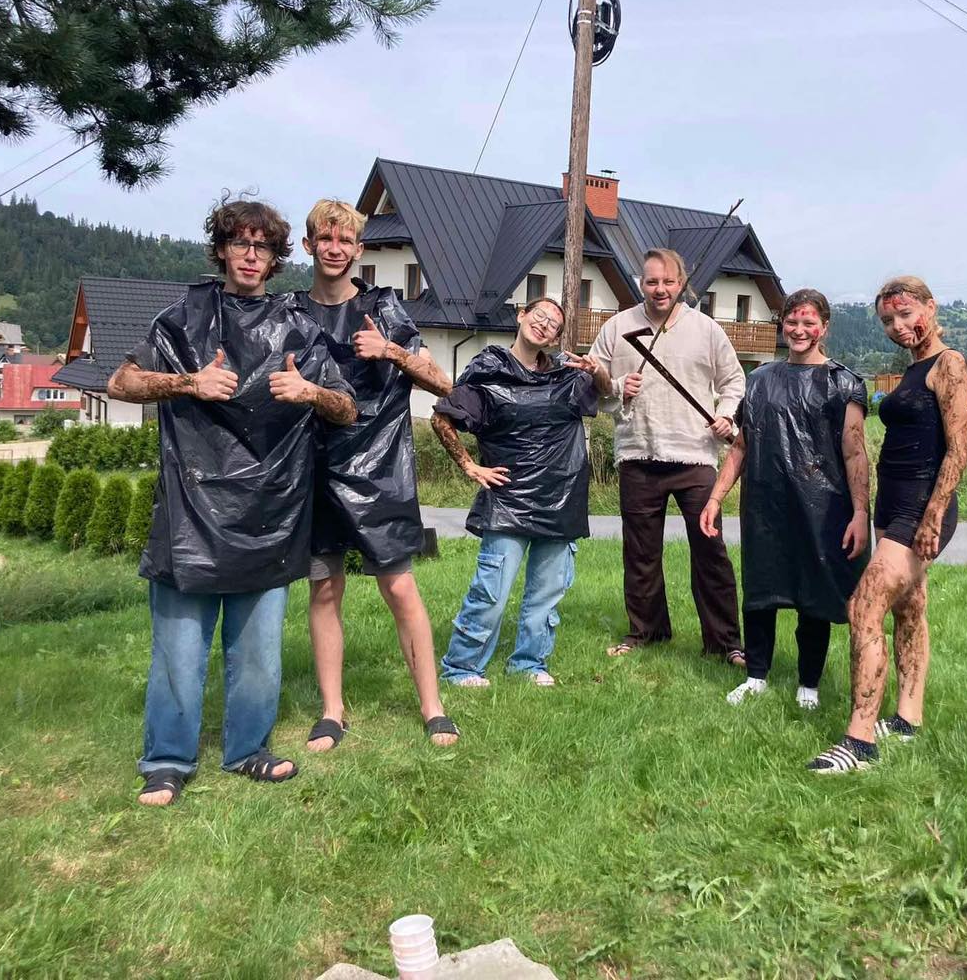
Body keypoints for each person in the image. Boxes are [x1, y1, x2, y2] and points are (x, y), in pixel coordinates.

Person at [109, 198, 358, 806]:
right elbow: (121, 382)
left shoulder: (297, 328)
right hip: (192, 512)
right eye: (240, 243)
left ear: (275, 257)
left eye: (262, 246)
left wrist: (310, 391)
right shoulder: (183, 317)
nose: (251, 255)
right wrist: (187, 382)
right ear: (221, 250)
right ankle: (167, 761)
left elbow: (348, 408)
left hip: (269, 512)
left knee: (258, 656)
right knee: (178, 654)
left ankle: (248, 750)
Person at [291, 199, 460, 752]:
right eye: (325, 238)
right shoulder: (290, 313)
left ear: (358, 249)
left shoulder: (385, 308)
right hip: (313, 464)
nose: (334, 248)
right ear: (309, 244)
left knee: (400, 586)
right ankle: (332, 711)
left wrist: (389, 350)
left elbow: (442, 383)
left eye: (345, 240)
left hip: (380, 464)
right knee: (324, 588)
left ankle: (433, 707)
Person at [808, 276, 967, 773]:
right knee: (910, 609)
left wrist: (934, 514)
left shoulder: (950, 364)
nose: (898, 326)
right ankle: (907, 719)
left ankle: (859, 741)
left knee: (864, 605)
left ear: (930, 307)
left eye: (905, 314)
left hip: (921, 507)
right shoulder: (914, 368)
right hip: (893, 504)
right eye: (887, 320)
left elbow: (959, 448)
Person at [699, 289, 871, 710]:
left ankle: (808, 683)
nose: (799, 329)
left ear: (824, 327)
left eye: (808, 322)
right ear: (782, 324)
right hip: (765, 506)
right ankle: (756, 675)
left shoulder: (844, 383)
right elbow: (741, 447)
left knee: (815, 593)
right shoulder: (759, 381)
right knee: (761, 589)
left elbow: (855, 452)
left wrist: (860, 512)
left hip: (823, 508)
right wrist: (715, 498)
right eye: (792, 321)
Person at [429, 297, 602, 686]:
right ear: (521, 316)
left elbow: (606, 395)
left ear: (556, 338)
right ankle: (462, 667)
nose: (544, 325)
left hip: (560, 498)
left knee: (546, 597)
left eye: (553, 324)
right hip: (509, 500)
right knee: (491, 593)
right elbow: (441, 418)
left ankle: (529, 665)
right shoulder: (488, 370)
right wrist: (469, 466)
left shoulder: (566, 376)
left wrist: (599, 371)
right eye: (539, 316)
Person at [588, 248, 747, 666]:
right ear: (641, 283)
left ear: (682, 284)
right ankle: (646, 632)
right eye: (651, 281)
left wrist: (727, 415)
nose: (660, 289)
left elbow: (734, 382)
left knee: (710, 551)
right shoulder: (618, 326)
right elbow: (594, 387)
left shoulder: (706, 329)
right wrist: (618, 387)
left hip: (695, 456)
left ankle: (725, 642)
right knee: (640, 553)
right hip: (638, 453)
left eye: (668, 282)